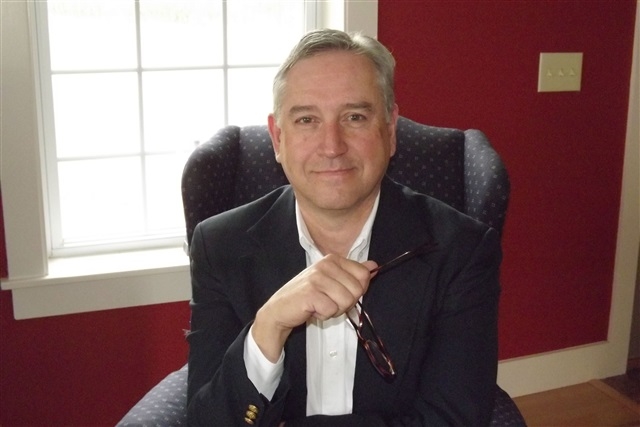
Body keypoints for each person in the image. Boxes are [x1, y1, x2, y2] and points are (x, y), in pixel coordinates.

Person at [186, 29, 501, 426]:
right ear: (278, 138)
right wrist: (268, 327)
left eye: (355, 117)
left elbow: (454, 420)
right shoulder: (219, 245)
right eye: (307, 120)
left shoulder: (460, 249)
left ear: (390, 131)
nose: (332, 146)